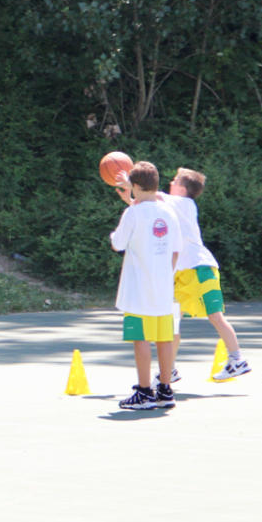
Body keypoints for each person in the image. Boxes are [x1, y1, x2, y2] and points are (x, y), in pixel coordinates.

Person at [156, 167, 251, 382]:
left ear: (182, 188)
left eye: (174, 181)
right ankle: (168, 370)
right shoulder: (171, 206)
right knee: (172, 320)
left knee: (215, 316)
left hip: (200, 269)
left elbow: (152, 195)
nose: (170, 183)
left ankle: (237, 360)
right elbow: (145, 206)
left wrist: (131, 181)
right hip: (181, 274)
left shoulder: (184, 203)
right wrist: (128, 195)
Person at [110, 161, 183, 410]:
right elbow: (176, 251)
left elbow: (118, 244)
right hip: (163, 288)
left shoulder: (133, 213)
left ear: (136, 186)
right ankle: (165, 389)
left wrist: (115, 232)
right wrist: (165, 274)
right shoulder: (169, 212)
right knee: (164, 338)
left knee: (139, 338)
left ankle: (143, 392)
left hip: (137, 289)